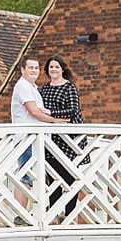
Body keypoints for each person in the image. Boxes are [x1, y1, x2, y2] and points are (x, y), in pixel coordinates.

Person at [9, 56, 58, 221]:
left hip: (34, 139)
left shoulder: (32, 88)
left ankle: (25, 215)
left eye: (36, 68)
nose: (34, 70)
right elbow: (34, 112)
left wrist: (46, 114)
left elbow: (39, 111)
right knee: (26, 177)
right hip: (26, 138)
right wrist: (56, 121)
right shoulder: (23, 86)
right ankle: (19, 215)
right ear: (22, 70)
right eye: (30, 67)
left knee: (32, 176)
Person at [40, 55, 85, 220]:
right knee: (52, 174)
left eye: (56, 67)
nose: (53, 70)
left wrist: (51, 113)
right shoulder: (45, 88)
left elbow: (73, 111)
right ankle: (54, 212)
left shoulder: (69, 87)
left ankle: (69, 214)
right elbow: (40, 109)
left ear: (63, 69)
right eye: (51, 67)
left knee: (69, 175)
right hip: (52, 136)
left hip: (70, 138)